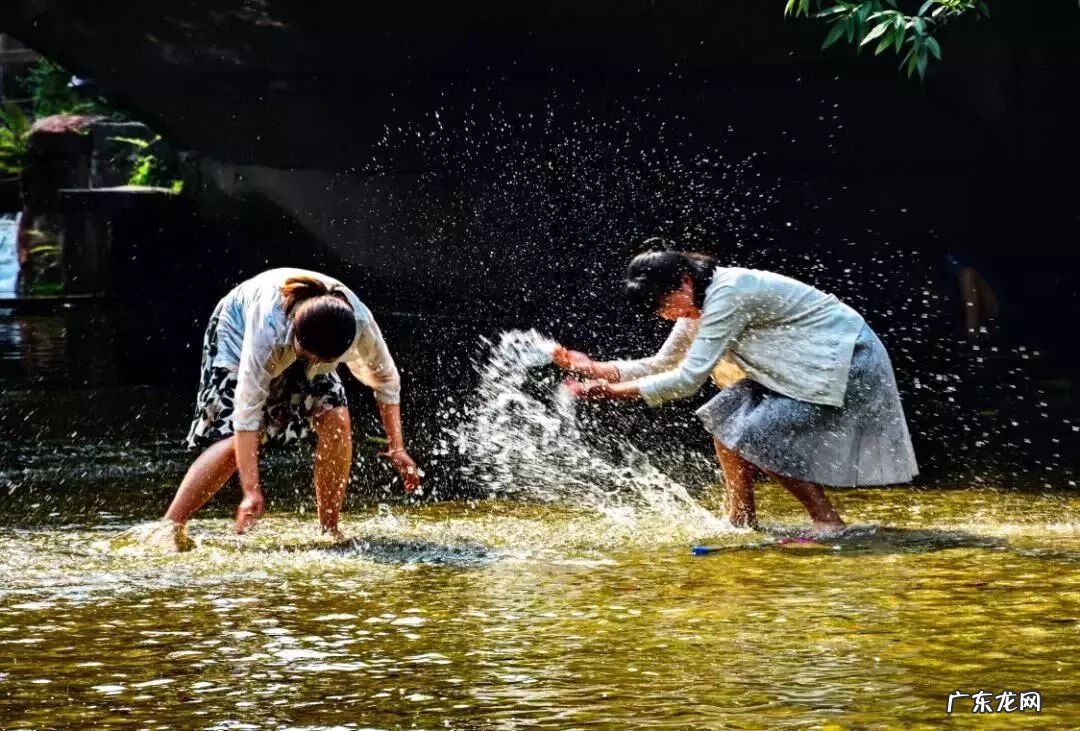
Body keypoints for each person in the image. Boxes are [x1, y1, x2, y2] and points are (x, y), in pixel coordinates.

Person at [554, 245, 917, 535]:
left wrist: (616, 392)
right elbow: (664, 362)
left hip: (845, 359)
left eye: (664, 304)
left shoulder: (727, 295)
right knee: (724, 420)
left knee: (755, 433)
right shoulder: (699, 301)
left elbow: (687, 380)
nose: (666, 315)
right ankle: (741, 518)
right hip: (801, 366)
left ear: (684, 281)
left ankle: (827, 522)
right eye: (659, 310)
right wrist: (597, 369)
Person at [162, 267, 421, 539]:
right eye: (307, 356)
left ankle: (329, 530)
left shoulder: (359, 326)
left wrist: (397, 447)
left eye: (321, 360)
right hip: (236, 330)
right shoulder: (267, 327)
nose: (312, 362)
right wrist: (251, 491)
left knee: (337, 421)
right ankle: (169, 526)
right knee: (234, 443)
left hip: (314, 339)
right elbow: (246, 414)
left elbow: (387, 381)